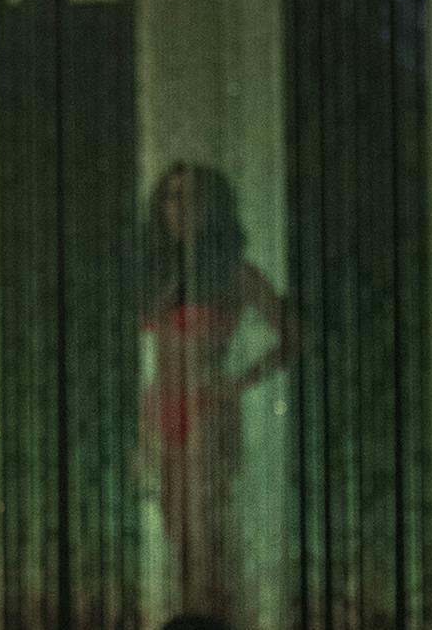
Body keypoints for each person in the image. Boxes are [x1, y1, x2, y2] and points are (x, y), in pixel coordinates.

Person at [134, 161, 298, 623]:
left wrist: (236, 384)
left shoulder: (233, 275)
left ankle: (218, 617)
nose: (179, 210)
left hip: (207, 408)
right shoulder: (160, 275)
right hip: (159, 406)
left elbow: (292, 336)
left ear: (213, 208)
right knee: (177, 534)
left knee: (209, 535)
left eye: (191, 199)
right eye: (171, 198)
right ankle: (191, 617)